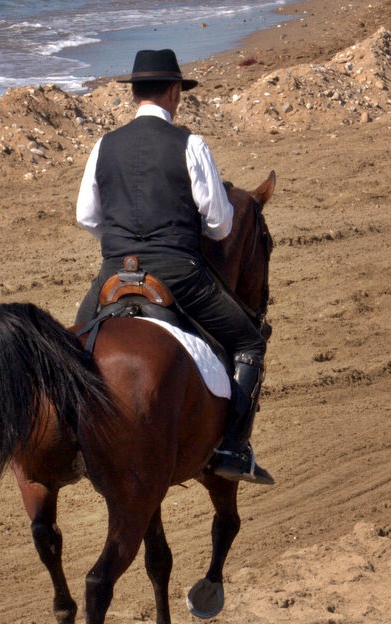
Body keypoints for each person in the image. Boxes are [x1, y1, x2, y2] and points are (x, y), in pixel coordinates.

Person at [75, 49, 273, 485]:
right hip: (178, 275)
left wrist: (120, 243)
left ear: (135, 94)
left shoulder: (104, 146)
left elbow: (86, 217)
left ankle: (74, 443)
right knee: (249, 342)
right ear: (174, 92)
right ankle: (232, 449)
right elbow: (220, 225)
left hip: (113, 273)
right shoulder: (190, 145)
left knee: (74, 347)